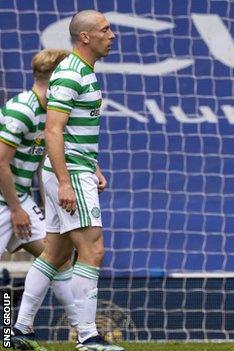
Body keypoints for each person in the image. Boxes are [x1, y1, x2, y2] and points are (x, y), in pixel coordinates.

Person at [12, 10, 124, 351]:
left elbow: (74, 132)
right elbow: (53, 130)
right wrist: (65, 181)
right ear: (86, 37)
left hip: (76, 169)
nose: (113, 34)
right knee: (93, 251)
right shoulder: (72, 73)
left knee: (53, 255)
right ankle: (88, 337)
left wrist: (94, 167)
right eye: (106, 29)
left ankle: (19, 330)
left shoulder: (83, 72)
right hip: (69, 175)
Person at [0, 49, 79, 350]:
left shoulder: (51, 113)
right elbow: (0, 162)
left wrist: (47, 208)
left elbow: (46, 157)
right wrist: (17, 209)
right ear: (56, 79)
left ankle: (83, 332)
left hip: (16, 199)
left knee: (55, 256)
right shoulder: (22, 110)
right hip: (7, 202)